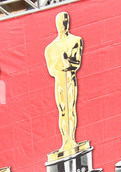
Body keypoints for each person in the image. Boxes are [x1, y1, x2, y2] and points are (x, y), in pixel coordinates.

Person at [45, 12, 83, 154]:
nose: (63, 24)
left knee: (71, 108)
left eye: (65, 20)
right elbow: (51, 70)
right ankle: (65, 141)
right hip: (60, 81)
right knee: (63, 110)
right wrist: (65, 61)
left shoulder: (76, 40)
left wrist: (65, 62)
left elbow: (76, 63)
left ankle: (71, 139)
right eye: (61, 21)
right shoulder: (50, 48)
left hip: (70, 79)